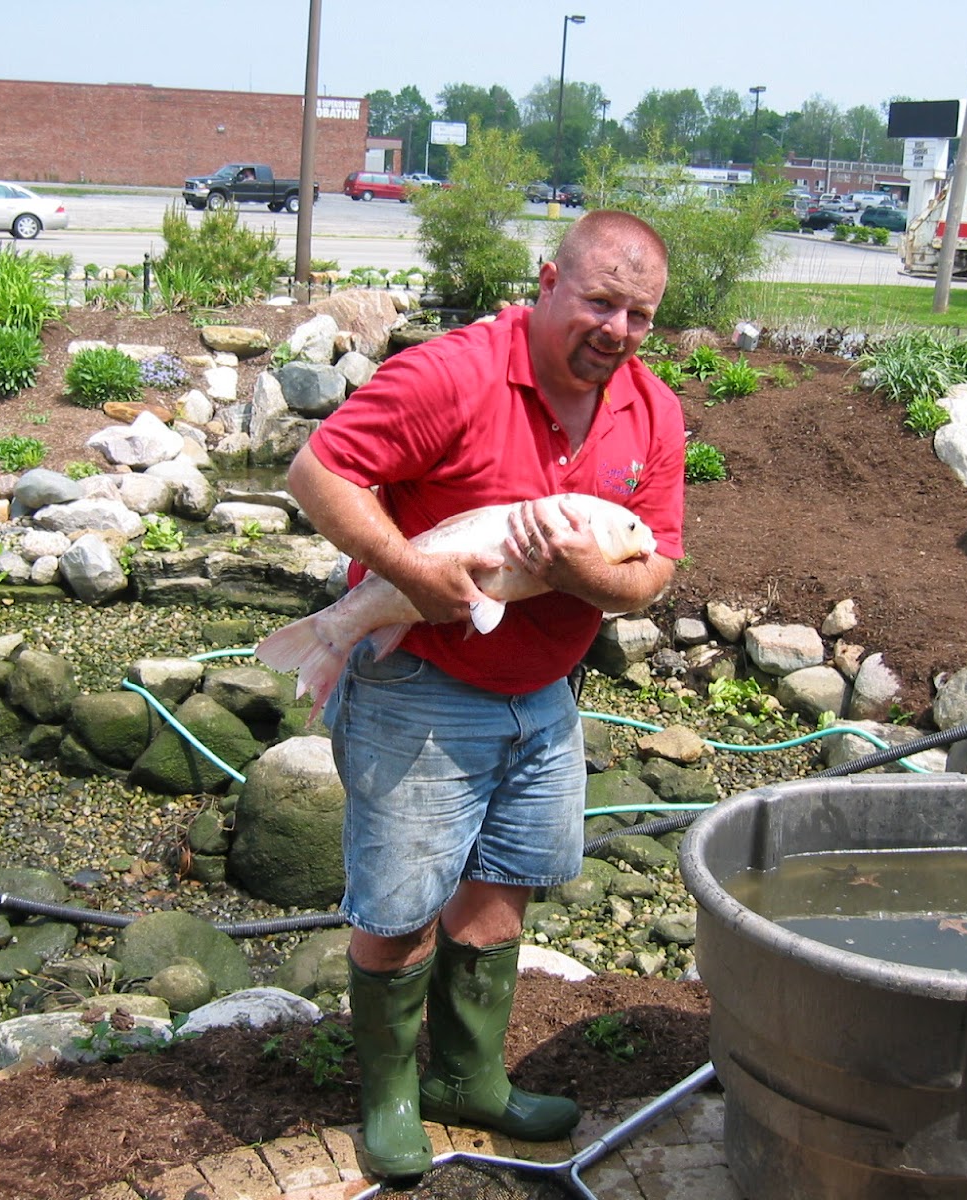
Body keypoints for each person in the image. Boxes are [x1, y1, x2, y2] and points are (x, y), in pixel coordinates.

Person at [285, 209, 686, 1180]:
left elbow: (654, 571)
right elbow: (317, 472)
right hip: (420, 684)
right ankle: (390, 1097)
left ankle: (467, 1079)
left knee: (502, 882)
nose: (618, 331)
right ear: (548, 281)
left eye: (638, 315)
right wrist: (409, 577)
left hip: (544, 695)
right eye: (600, 302)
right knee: (397, 905)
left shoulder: (651, 411)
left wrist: (587, 577)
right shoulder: (453, 375)